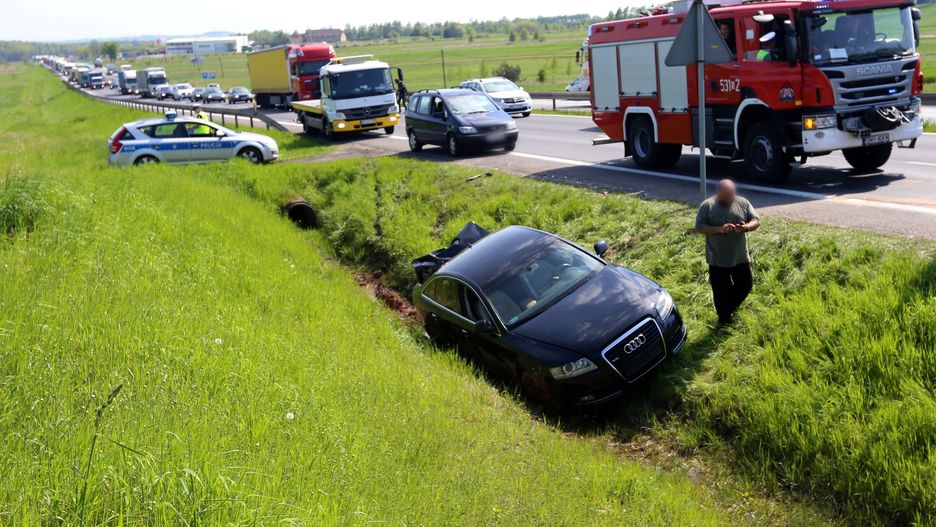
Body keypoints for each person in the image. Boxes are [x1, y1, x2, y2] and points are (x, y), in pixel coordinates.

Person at [695, 179, 760, 326]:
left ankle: (728, 308)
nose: (730, 198)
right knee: (720, 292)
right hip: (717, 259)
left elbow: (756, 220)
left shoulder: (742, 202)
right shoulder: (707, 206)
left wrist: (746, 227)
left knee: (745, 285)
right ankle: (724, 323)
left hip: (740, 257)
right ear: (718, 193)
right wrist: (720, 229)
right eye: (727, 195)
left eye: (732, 194)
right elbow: (699, 227)